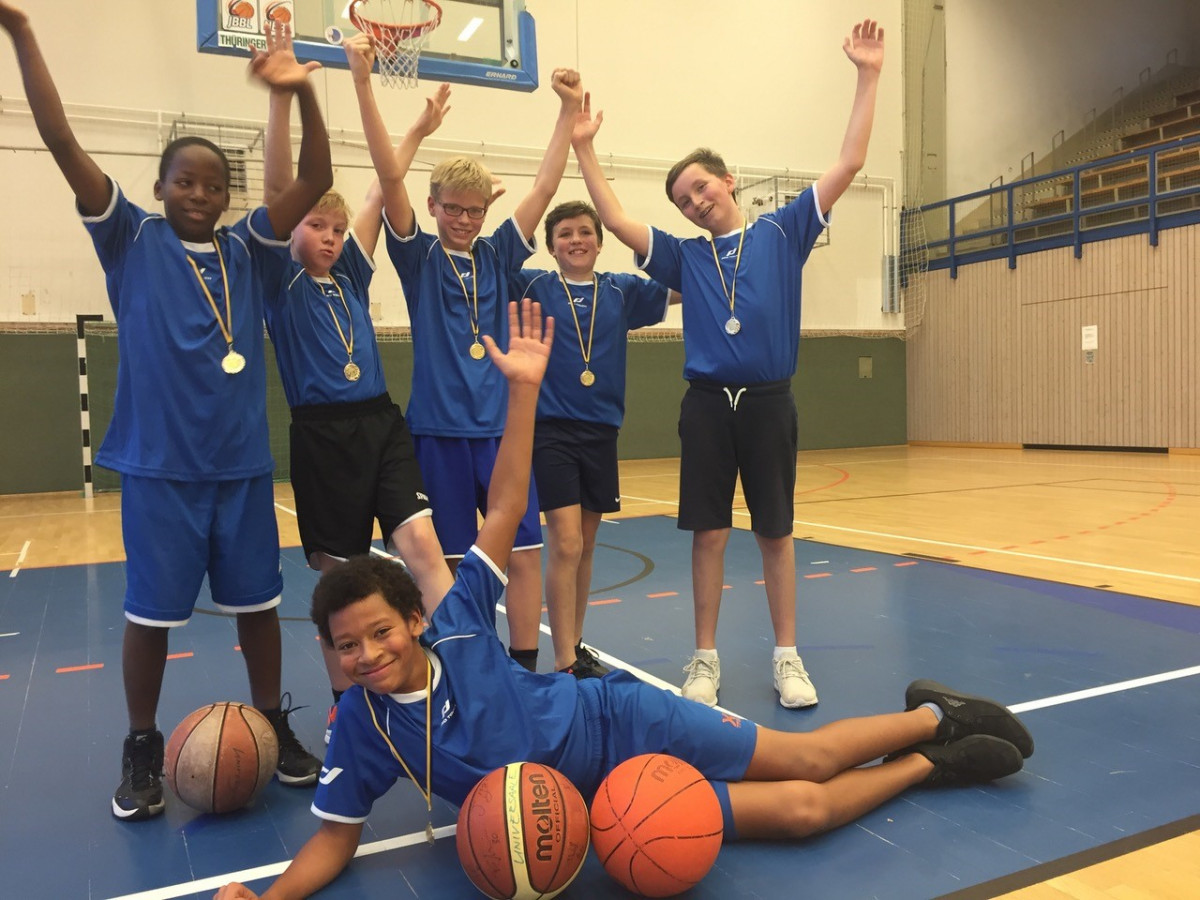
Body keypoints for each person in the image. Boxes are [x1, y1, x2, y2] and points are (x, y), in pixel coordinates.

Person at [213, 299, 1033, 900]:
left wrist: (523, 392)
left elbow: (506, 506)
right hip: (597, 797)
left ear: (415, 620)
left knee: (809, 760)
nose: (366, 655)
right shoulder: (360, 726)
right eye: (346, 646)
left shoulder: (457, 625)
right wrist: (269, 898)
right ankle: (933, 763)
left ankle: (934, 714)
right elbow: (335, 839)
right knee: (799, 814)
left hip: (620, 720)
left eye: (379, 633)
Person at [0, 5, 330, 820]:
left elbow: (316, 177)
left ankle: (270, 721)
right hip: (159, 473)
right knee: (149, 616)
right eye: (185, 181)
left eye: (214, 184)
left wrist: (302, 92)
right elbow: (59, 139)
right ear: (159, 188)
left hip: (241, 470)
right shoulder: (129, 238)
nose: (200, 193)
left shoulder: (250, 247)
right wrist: (22, 34)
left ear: (228, 195)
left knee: (259, 608)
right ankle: (142, 744)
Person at [570, 20, 886, 709]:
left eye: (700, 188)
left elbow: (850, 162)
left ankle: (788, 658)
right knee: (708, 534)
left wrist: (867, 75)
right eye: (683, 201)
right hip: (708, 405)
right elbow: (616, 220)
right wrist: (585, 147)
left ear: (728, 180)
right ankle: (705, 661)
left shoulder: (783, 230)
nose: (694, 203)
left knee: (775, 532)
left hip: (769, 401)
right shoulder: (684, 256)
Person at [259, 35, 454, 741]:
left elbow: (379, 187)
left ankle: (470, 673)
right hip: (322, 437)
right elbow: (278, 192)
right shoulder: (279, 280)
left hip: (381, 424)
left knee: (424, 547)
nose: (331, 236)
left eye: (338, 228)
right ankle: (350, 712)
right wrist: (283, 98)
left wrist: (417, 129)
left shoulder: (349, 274)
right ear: (293, 228)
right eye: (317, 225)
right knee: (340, 579)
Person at [377, 66, 585, 673]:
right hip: (438, 433)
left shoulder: (497, 254)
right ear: (433, 206)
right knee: (443, 564)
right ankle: (457, 666)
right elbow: (389, 179)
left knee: (522, 553)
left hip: (500, 434)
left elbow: (545, 186)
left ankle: (521, 670)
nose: (465, 220)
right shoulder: (418, 257)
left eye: (474, 210)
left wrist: (566, 111)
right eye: (453, 209)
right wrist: (418, 131)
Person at [510, 200, 676, 676]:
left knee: (584, 542)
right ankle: (564, 660)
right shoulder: (532, 285)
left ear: (601, 243)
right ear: (550, 246)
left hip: (602, 430)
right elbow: (490, 269)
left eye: (585, 231)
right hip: (551, 430)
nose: (576, 240)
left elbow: (687, 285)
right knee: (565, 542)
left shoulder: (621, 291)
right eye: (564, 233)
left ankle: (575, 645)